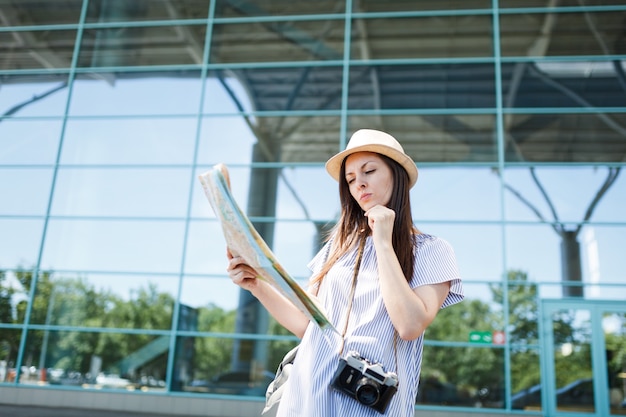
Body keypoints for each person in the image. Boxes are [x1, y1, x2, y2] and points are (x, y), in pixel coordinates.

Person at [227, 129, 464, 417]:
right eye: (350, 179)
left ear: (397, 174)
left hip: (367, 406)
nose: (359, 183)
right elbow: (308, 325)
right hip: (307, 400)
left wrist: (383, 243)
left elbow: (410, 325)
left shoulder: (432, 250)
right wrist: (256, 284)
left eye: (369, 171)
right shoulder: (337, 248)